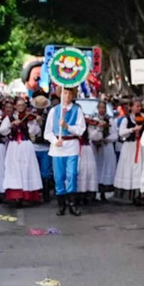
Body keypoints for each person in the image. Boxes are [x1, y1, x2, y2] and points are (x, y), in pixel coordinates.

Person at [45, 88, 88, 217]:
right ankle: (61, 204)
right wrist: (54, 140)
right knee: (59, 177)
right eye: (65, 93)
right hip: (58, 147)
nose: (67, 96)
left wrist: (67, 127)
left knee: (72, 174)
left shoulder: (77, 110)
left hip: (72, 146)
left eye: (69, 93)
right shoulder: (54, 111)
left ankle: (72, 204)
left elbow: (81, 130)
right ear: (60, 94)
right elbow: (47, 132)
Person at [2, 101, 43, 205]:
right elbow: (2, 131)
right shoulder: (9, 118)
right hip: (14, 145)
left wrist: (37, 122)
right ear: (15, 106)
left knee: (27, 168)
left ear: (25, 106)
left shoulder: (29, 117)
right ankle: (16, 195)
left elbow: (34, 132)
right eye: (18, 105)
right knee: (14, 169)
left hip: (25, 145)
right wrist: (11, 125)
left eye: (22, 105)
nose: (20, 107)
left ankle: (27, 194)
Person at [113, 103, 142, 201]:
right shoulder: (126, 119)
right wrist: (133, 129)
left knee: (139, 168)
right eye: (137, 106)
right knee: (128, 168)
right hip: (129, 146)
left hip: (139, 146)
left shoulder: (143, 119)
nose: (139, 108)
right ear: (132, 107)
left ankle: (138, 193)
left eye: (140, 106)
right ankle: (128, 193)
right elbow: (121, 132)